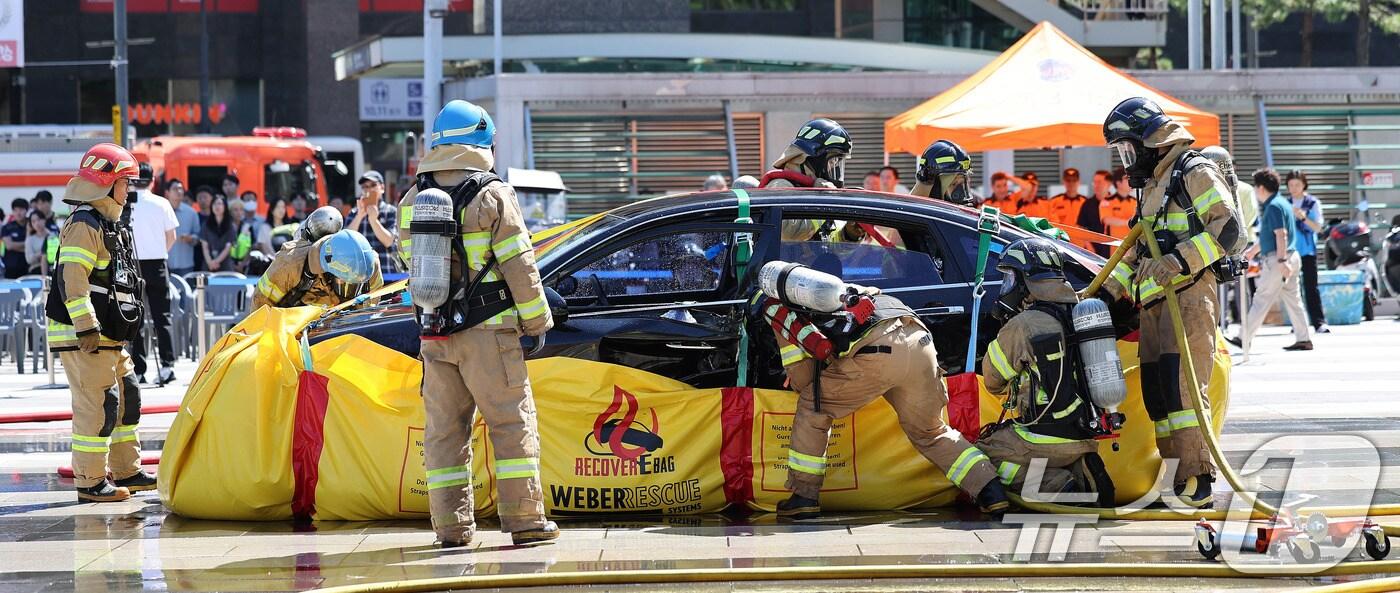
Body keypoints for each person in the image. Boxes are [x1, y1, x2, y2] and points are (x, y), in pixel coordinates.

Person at [398, 100, 558, 548]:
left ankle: (451, 529)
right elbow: (519, 265)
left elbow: (410, 263)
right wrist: (536, 321)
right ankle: (526, 523)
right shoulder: (492, 194)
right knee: (511, 423)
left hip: (434, 334)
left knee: (445, 434)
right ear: (482, 139)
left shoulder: (413, 199)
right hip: (490, 334)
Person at [756, 271, 1008, 519]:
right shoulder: (848, 290)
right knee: (932, 431)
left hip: (878, 352)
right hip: (919, 341)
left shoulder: (781, 312)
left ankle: (803, 497)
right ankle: (990, 491)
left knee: (813, 407)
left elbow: (804, 380)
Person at [1100, 97, 1243, 508]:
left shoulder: (1193, 171)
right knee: (1158, 392)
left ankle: (1197, 478)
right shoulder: (1153, 185)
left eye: (1128, 148)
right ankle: (1174, 479)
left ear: (1151, 141)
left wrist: (1179, 260)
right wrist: (1102, 295)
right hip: (1155, 304)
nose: (1127, 159)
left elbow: (1228, 228)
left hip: (1190, 296)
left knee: (1183, 391)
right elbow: (1136, 250)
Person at [45, 143, 157, 502]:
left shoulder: (109, 223)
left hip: (109, 335)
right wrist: (87, 327)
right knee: (98, 405)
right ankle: (90, 480)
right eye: (126, 183)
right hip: (86, 336)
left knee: (128, 397)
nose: (130, 191)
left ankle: (127, 470)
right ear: (106, 184)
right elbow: (72, 280)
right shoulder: (83, 225)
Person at [980, 238, 1115, 505]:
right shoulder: (1083, 311)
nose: (1007, 286)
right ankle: (1082, 469)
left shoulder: (1024, 325)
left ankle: (1057, 484)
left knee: (983, 457)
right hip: (1086, 433)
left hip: (1042, 435)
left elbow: (992, 381)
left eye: (1009, 278)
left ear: (1026, 281)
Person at [1229, 169, 1312, 352]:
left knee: (1261, 298)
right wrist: (1252, 252)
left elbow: (1280, 235)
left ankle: (1244, 338)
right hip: (1290, 256)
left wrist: (1282, 261)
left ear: (1261, 188)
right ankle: (1304, 338)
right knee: (1293, 298)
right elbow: (1271, 235)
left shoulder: (1273, 206)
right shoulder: (1281, 203)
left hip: (1278, 258)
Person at [760, 119, 864, 243]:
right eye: (832, 162)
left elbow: (822, 247)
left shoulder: (811, 191)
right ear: (814, 160)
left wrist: (849, 235)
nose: (834, 168)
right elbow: (788, 234)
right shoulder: (780, 187)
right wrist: (823, 202)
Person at [127, 163, 179, 387]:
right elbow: (172, 236)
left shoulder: (124, 205)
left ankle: (138, 369)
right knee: (162, 316)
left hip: (132, 265)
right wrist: (159, 252)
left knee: (134, 318)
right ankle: (167, 365)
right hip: (157, 264)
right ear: (152, 181)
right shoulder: (162, 203)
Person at [252, 229, 382, 310]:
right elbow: (261, 304)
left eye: (354, 285)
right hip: (290, 332)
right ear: (329, 272)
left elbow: (368, 311)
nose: (350, 287)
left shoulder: (370, 267)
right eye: (344, 281)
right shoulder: (291, 263)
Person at [1286, 170, 1328, 334]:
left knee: (1311, 287)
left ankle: (1319, 322)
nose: (1294, 188)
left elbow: (1318, 227)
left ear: (1304, 185)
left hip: (1307, 251)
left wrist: (1303, 217)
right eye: (1291, 185)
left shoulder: (1312, 203)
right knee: (1292, 289)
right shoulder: (1285, 203)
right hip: (1289, 251)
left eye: (1297, 184)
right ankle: (1297, 323)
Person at [347, 171, 400, 274]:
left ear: (382, 188)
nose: (369, 189)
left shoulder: (391, 211)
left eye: (373, 185)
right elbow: (346, 241)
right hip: (360, 275)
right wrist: (359, 216)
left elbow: (389, 241)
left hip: (387, 273)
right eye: (365, 186)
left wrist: (373, 220)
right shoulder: (354, 213)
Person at [910, 139, 973, 206]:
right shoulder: (914, 214)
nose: (960, 191)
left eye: (962, 183)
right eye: (953, 184)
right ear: (934, 188)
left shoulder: (960, 214)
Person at [165, 180, 201, 277]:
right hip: (165, 263)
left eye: (181, 189)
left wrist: (191, 238)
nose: (179, 191)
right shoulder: (161, 211)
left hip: (186, 264)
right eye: (175, 189)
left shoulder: (191, 213)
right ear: (167, 193)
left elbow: (198, 237)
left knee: (187, 291)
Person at [199, 196, 237, 272]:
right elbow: (205, 246)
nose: (217, 206)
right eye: (214, 204)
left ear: (225, 207)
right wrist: (210, 262)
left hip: (225, 265)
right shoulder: (206, 224)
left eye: (219, 204)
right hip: (208, 264)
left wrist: (216, 261)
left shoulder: (231, 225)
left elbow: (228, 247)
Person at [1100, 167, 1137, 239]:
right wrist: (1128, 222)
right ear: (1118, 183)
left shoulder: (1135, 201)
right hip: (1113, 247)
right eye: (1126, 178)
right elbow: (1107, 220)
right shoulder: (1107, 201)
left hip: (1131, 246)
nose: (1130, 181)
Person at [1075, 169, 1109, 235]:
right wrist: (1089, 245)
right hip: (1092, 244)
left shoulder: (1114, 202)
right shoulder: (1087, 204)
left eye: (1099, 182)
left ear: (1108, 183)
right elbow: (1082, 228)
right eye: (1094, 182)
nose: (1096, 185)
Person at [2, 198, 29, 278]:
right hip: (11, 268)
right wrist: (27, 245)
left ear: (26, 210)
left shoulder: (31, 225)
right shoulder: (7, 227)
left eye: (21, 210)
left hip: (27, 267)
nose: (18, 213)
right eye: (15, 210)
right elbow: (9, 246)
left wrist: (15, 245)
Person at [24, 210, 56, 276]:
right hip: (36, 271)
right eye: (33, 221)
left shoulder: (53, 236)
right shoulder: (30, 240)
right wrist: (43, 253)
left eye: (39, 219)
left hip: (52, 269)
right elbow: (29, 259)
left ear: (44, 220)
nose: (37, 223)